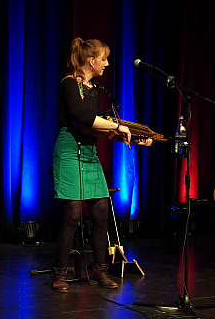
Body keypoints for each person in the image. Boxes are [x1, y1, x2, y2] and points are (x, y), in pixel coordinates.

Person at [51, 37, 152, 293]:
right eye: (104, 59)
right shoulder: (68, 84)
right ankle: (60, 273)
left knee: (100, 212)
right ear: (91, 60)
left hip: (89, 151)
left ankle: (99, 269)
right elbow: (83, 118)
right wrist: (119, 126)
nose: (106, 64)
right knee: (73, 214)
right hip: (69, 150)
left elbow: (97, 127)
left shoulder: (95, 90)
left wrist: (136, 138)